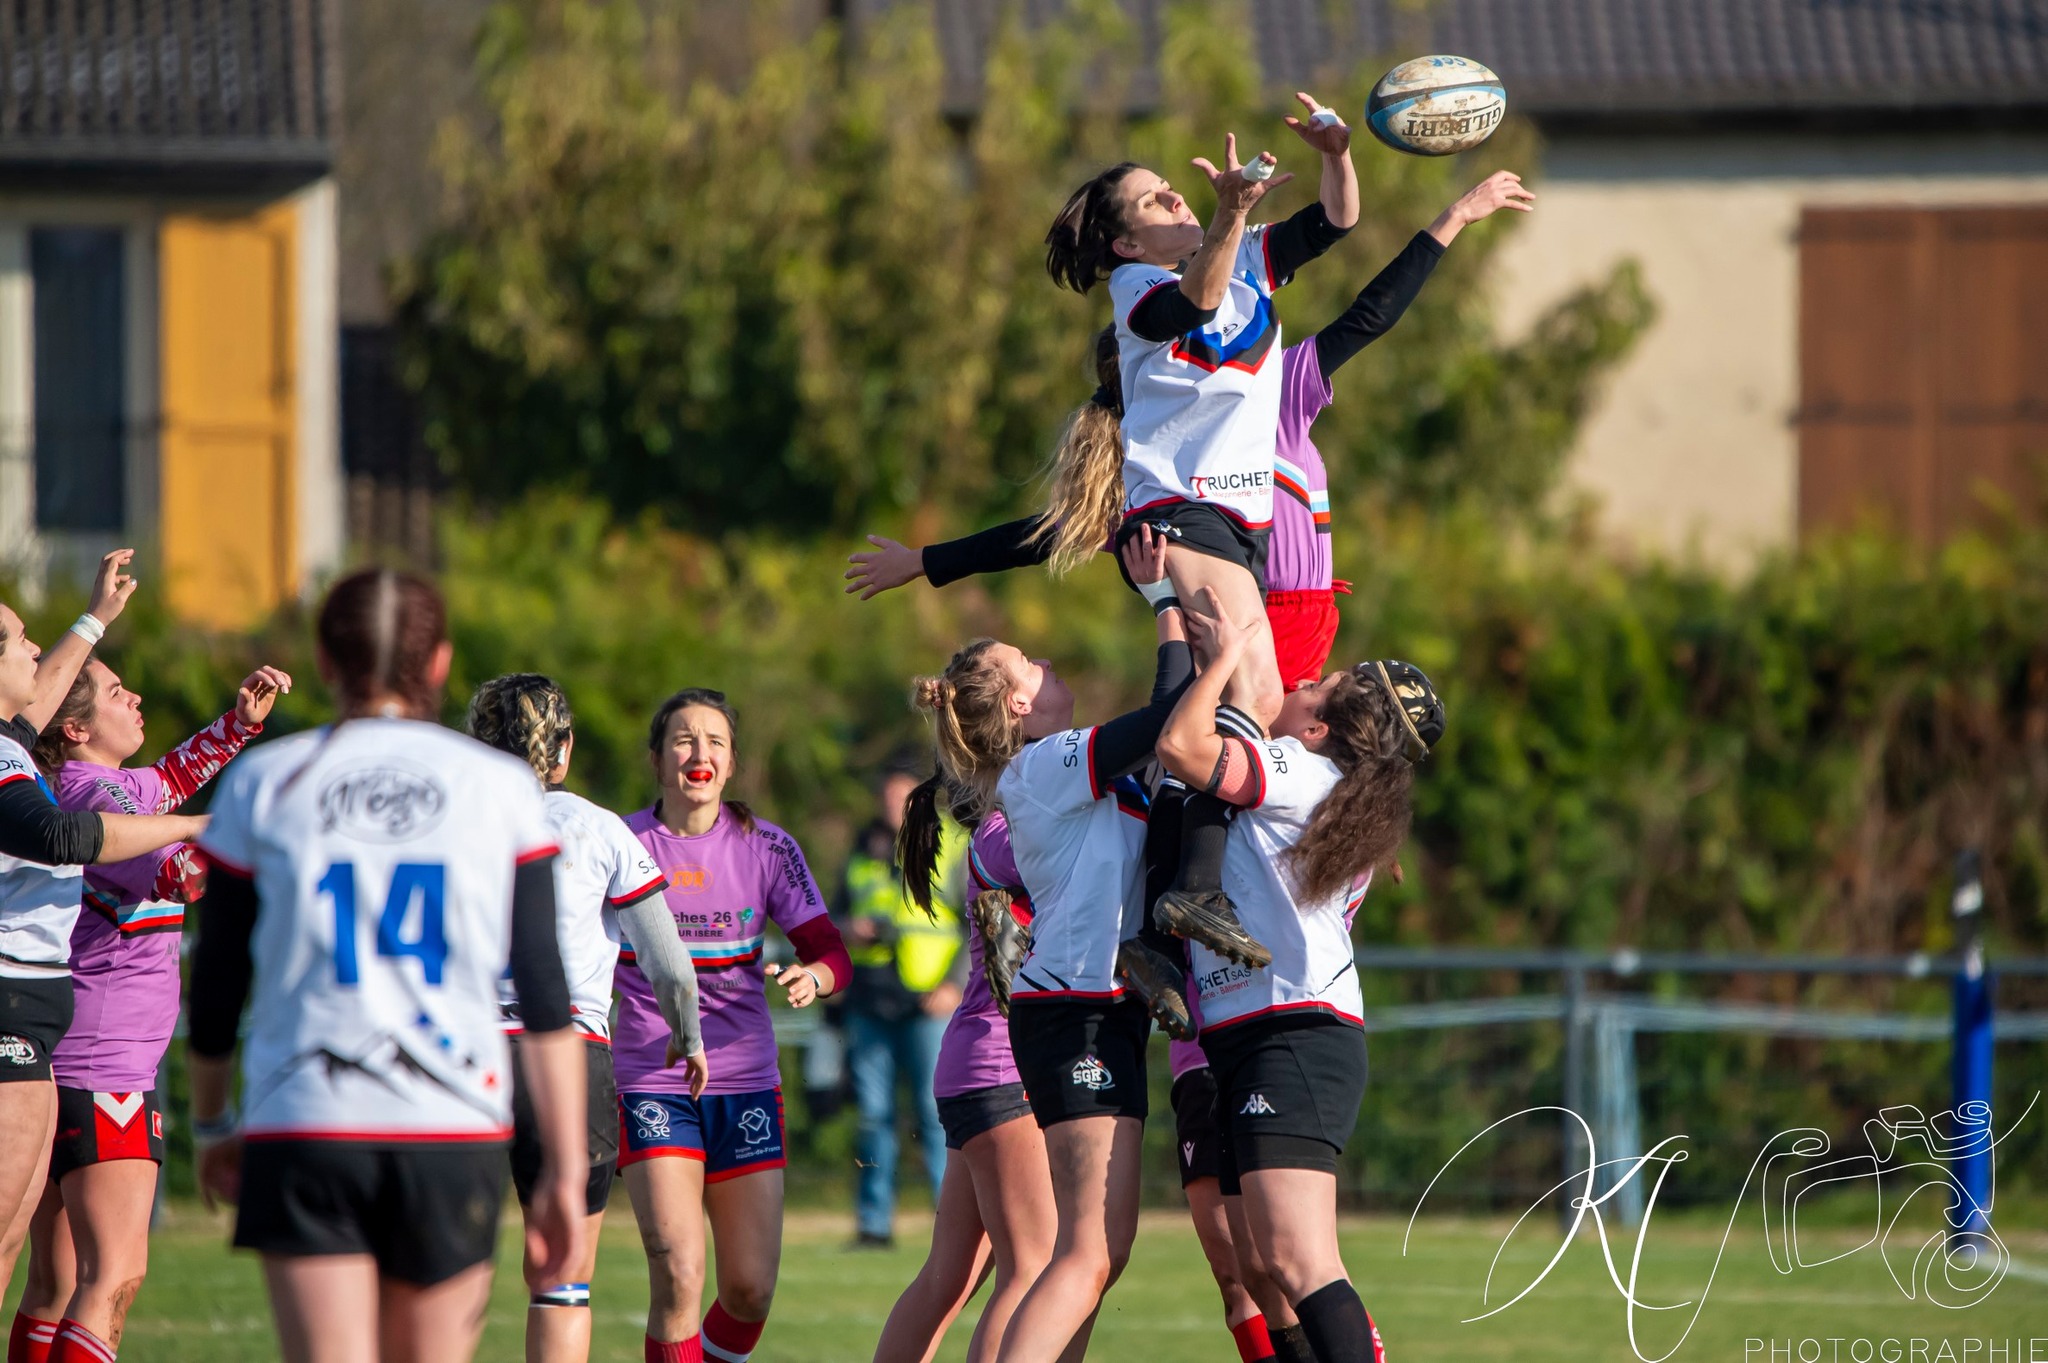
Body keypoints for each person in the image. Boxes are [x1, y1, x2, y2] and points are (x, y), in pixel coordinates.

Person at [848, 168, 1531, 1029]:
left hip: (1287, 609)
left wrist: (1450, 215)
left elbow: (1356, 294)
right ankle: (1190, 914)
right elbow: (1049, 532)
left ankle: (1179, 933)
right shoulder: (1206, 405)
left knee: (1233, 758)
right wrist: (931, 561)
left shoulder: (1269, 385)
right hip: (1265, 606)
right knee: (1218, 747)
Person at [183, 569, 590, 1363]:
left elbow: (218, 981)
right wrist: (566, 1171)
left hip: (305, 1116)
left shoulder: (263, 780)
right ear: (438, 663)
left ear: (326, 663)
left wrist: (211, 1121)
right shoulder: (500, 786)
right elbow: (545, 991)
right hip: (450, 1122)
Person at [1040, 97, 1360, 971]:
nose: (1175, 202)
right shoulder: (1138, 289)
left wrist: (1337, 153)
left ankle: (1153, 921)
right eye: (1154, 203)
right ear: (1125, 244)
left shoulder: (1247, 254)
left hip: (1234, 522)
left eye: (1171, 194)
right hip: (1180, 510)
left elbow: (1336, 222)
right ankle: (1188, 891)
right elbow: (1200, 298)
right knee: (1246, 698)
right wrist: (1225, 215)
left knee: (1241, 705)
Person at [907, 529, 1188, 1363]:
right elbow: (1167, 713)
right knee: (1066, 1258)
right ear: (1021, 706)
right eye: (1030, 661)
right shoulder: (1048, 764)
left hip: (1100, 1008)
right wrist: (1165, 601)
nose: (1049, 661)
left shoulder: (1055, 768)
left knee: (1097, 1255)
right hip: (1072, 1012)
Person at [1156, 587, 1445, 1363]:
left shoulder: (1297, 769)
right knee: (1261, 1266)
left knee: (1297, 1260)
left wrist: (1218, 665)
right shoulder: (1322, 782)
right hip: (1258, 1033)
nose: (1297, 681)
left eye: (1314, 685)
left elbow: (1182, 747)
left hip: (1295, 1034)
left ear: (1318, 728)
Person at [17, 659, 290, 1363]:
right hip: (106, 1069)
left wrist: (239, 727)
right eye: (115, 692)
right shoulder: (85, 796)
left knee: (52, 1285)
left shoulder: (105, 786)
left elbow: (169, 781)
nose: (135, 695)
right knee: (113, 1276)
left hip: (70, 1063)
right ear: (75, 727)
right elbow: (179, 872)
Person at [0, 551, 209, 1353]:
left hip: (50, 1031)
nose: (35, 652)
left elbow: (47, 694)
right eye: (19, 640)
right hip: (58, 1034)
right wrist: (193, 835)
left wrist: (96, 616)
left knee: (35, 1266)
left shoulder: (18, 745)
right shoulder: (63, 781)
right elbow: (59, 837)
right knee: (107, 1273)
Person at [468, 674, 708, 1363]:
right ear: (563, 750)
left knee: (445, 1273)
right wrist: (687, 1036)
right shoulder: (599, 828)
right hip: (568, 1059)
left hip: (463, 1056)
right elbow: (669, 961)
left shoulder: (445, 822)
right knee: (562, 1282)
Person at [617, 688, 852, 1363]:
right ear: (659, 758)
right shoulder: (621, 844)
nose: (700, 752)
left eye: (715, 741)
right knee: (680, 1272)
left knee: (749, 1289)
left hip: (746, 1080)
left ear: (732, 763)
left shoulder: (767, 847)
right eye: (685, 739)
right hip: (652, 1079)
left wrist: (817, 977)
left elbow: (831, 952)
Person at [870, 799, 1059, 1363]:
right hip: (1004, 1066)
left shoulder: (1002, 828)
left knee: (947, 1277)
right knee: (1034, 1269)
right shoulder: (1013, 831)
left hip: (978, 1062)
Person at [839, 761, 966, 1247]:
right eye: (889, 798)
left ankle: (950, 1221)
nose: (895, 807)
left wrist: (955, 984)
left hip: (929, 1001)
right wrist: (849, 928)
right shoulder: (863, 848)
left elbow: (979, 922)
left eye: (905, 798)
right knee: (873, 1118)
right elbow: (835, 914)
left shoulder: (953, 843)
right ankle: (874, 1225)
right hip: (871, 1000)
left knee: (939, 1117)